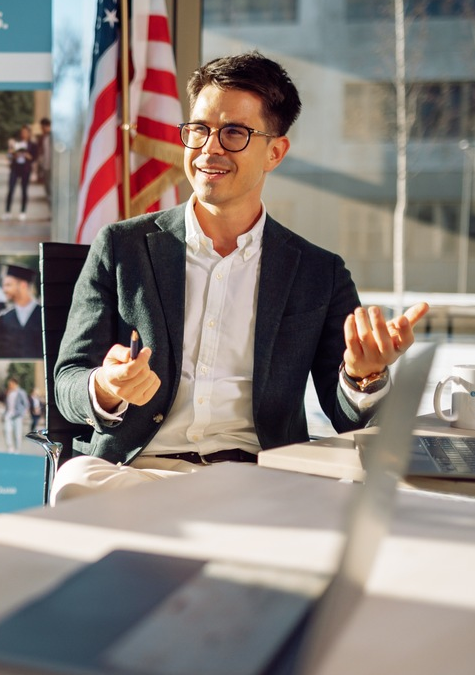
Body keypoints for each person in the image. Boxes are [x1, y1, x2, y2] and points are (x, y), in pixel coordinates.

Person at [51, 52, 429, 502]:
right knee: (77, 482)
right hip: (137, 472)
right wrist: (106, 387)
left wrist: (362, 377)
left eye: (234, 133)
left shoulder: (318, 272)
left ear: (275, 151)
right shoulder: (120, 247)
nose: (210, 148)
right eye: (199, 129)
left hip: (261, 478)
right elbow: (68, 380)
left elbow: (351, 418)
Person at [0, 264, 44, 359]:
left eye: (8, 285)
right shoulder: (2, 318)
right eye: (4, 286)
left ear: (23, 285)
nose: (4, 290)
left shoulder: (44, 315)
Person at [2, 124, 35, 221]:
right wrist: (12, 152)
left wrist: (26, 154)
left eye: (25, 132)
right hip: (15, 169)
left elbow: (34, 158)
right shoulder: (16, 143)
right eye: (22, 132)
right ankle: (7, 212)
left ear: (29, 133)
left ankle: (23, 212)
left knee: (24, 191)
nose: (23, 134)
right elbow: (9, 156)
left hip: (25, 169)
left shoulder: (32, 145)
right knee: (11, 190)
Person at [3, 378, 30, 453]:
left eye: (10, 384)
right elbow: (7, 404)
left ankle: (17, 449)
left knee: (17, 433)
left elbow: (26, 404)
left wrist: (22, 413)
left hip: (17, 415)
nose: (9, 386)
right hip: (8, 415)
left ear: (15, 384)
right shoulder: (8, 392)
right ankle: (10, 447)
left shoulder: (21, 392)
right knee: (7, 430)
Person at [36, 117, 53, 201]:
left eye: (42, 127)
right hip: (45, 166)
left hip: (53, 167)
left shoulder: (53, 137)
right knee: (47, 188)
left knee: (52, 188)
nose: (42, 129)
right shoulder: (43, 138)